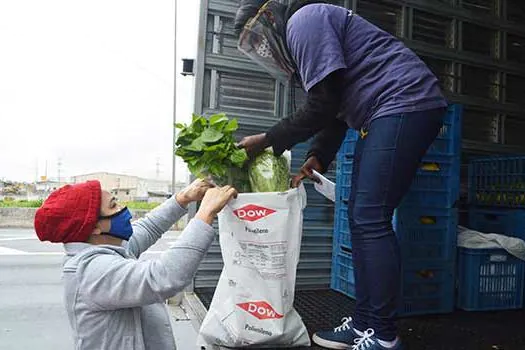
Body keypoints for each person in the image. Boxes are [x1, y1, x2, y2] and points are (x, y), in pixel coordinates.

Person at [234, 1, 449, 349]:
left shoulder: (304, 21)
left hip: (402, 101)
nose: (262, 49)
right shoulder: (305, 35)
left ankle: (382, 334)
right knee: (361, 216)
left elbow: (322, 105)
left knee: (370, 216)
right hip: (382, 111)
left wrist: (267, 141)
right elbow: (334, 109)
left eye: (258, 38)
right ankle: (365, 323)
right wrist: (319, 156)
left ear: (270, 18)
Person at [34, 179, 237, 350]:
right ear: (94, 227)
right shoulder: (91, 270)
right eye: (113, 206)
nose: (123, 210)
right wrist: (205, 214)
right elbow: (164, 276)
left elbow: (148, 226)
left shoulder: (108, 245)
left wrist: (183, 198)